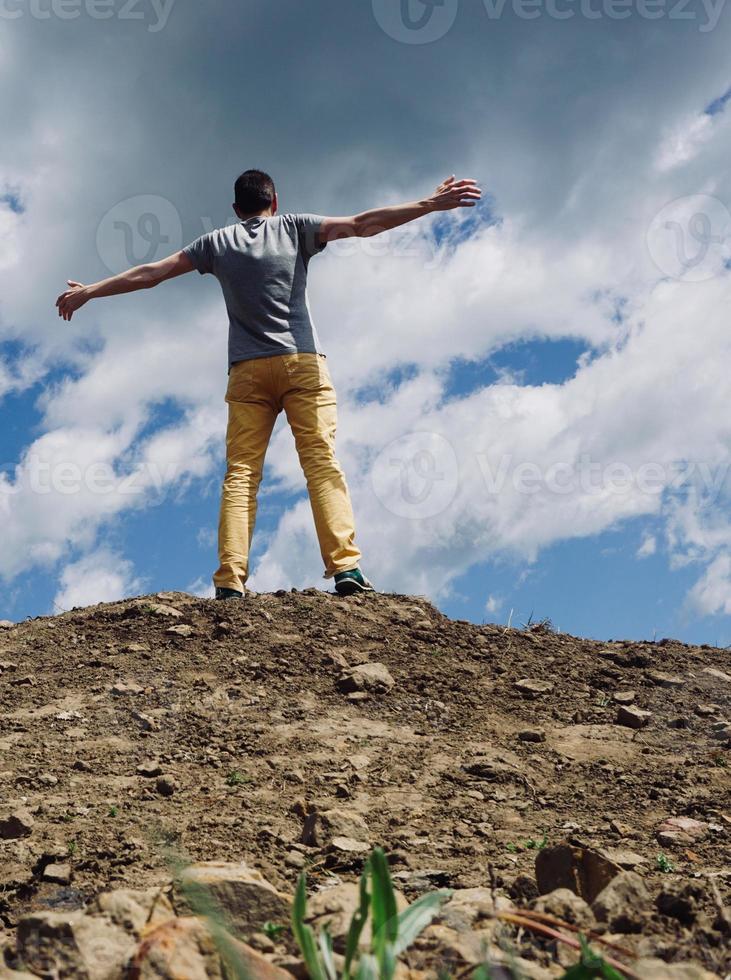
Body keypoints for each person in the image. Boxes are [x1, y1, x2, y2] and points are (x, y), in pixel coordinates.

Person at [56, 171, 482, 599]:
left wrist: (91, 291)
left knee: (241, 474)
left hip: (247, 372)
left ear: (236, 209)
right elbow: (362, 224)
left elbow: (151, 273)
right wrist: (430, 204)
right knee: (320, 462)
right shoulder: (296, 227)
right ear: (273, 201)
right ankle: (345, 569)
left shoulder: (215, 243)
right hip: (303, 365)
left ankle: (230, 580)